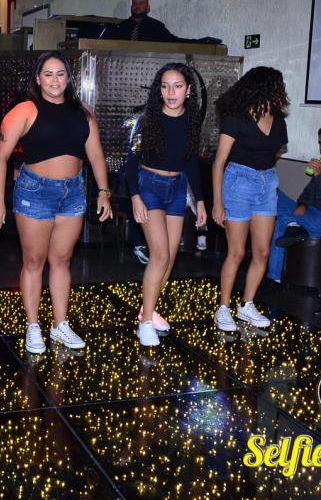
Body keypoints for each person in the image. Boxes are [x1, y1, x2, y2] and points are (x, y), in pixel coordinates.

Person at [0, 51, 112, 354]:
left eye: (60, 74)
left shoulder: (82, 111)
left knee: (62, 260)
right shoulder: (24, 110)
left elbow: (96, 155)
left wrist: (104, 192)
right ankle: (33, 325)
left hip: (73, 192)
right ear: (38, 78)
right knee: (33, 261)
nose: (54, 80)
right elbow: (0, 157)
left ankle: (59, 324)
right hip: (35, 192)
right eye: (48, 74)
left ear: (68, 78)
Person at [126, 63, 207, 346]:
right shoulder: (146, 120)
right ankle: (145, 323)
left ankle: (147, 311)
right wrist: (135, 196)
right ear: (158, 90)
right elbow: (130, 163)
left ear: (188, 90)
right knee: (159, 255)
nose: (171, 92)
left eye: (178, 86)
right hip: (149, 185)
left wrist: (200, 201)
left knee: (170, 257)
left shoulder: (192, 120)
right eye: (165, 86)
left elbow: (191, 162)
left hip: (177, 187)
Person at [212, 66, 289, 331]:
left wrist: (264, 174)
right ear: (264, 87)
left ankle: (246, 305)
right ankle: (223, 308)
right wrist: (217, 202)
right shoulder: (237, 117)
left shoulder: (278, 119)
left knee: (262, 252)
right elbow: (219, 162)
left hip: (267, 183)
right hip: (239, 182)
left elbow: (275, 151)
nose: (282, 91)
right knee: (237, 251)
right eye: (278, 86)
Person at [266, 128, 321, 282]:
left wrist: (318, 177)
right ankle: (293, 225)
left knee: (280, 223)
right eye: (320, 143)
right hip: (309, 212)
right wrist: (302, 205)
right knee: (274, 193)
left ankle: (274, 279)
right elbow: (306, 194)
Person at [105, 0, 214, 44]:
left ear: (148, 8)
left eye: (141, 3)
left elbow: (174, 41)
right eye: (134, 3)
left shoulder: (156, 27)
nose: (137, 6)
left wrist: (201, 42)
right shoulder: (120, 27)